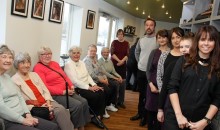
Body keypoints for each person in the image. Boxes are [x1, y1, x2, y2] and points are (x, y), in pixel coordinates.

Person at [166, 25, 220, 130]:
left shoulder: (218, 67)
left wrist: (205, 121)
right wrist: (179, 115)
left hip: (200, 123)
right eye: (203, 39)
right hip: (175, 119)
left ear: (215, 43)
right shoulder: (184, 60)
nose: (206, 43)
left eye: (211, 40)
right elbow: (172, 87)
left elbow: (217, 98)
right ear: (197, 41)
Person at [0, 45, 59, 130]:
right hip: (9, 120)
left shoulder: (7, 77)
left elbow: (19, 97)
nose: (8, 60)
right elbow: (1, 107)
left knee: (53, 127)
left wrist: (28, 114)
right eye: (4, 57)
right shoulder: (12, 78)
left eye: (10, 57)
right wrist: (23, 120)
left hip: (23, 115)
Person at [12, 52, 74, 130]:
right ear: (17, 65)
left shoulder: (34, 75)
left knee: (61, 110)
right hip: (35, 107)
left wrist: (48, 103)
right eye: (23, 63)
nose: (26, 65)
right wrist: (40, 107)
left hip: (47, 101)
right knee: (58, 112)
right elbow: (21, 102)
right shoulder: (14, 80)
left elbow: (45, 90)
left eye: (28, 62)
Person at [33, 46, 90, 130]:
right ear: (39, 56)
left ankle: (81, 124)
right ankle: (75, 127)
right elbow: (44, 87)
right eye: (44, 54)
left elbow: (65, 76)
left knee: (84, 101)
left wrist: (71, 86)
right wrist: (62, 92)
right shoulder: (38, 68)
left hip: (67, 90)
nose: (47, 56)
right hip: (56, 94)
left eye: (49, 53)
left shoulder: (55, 63)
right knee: (77, 105)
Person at [64, 46, 106, 129]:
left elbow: (88, 76)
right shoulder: (68, 64)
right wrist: (89, 88)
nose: (76, 55)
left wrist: (94, 85)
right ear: (70, 54)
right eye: (74, 53)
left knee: (101, 92)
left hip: (87, 85)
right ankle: (93, 115)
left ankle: (97, 116)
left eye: (78, 53)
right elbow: (75, 81)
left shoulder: (82, 62)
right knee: (95, 95)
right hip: (78, 88)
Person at [131, 18, 157, 127]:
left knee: (149, 96)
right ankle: (140, 113)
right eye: (147, 25)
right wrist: (140, 62)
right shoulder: (141, 40)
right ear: (145, 26)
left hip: (151, 73)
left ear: (154, 27)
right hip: (141, 71)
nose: (149, 27)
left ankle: (146, 117)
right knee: (141, 94)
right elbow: (136, 52)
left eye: (151, 25)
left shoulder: (158, 40)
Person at [157, 27, 184, 124]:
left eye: (178, 37)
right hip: (166, 95)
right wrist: (162, 98)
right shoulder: (165, 55)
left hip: (181, 97)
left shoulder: (188, 57)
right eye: (173, 38)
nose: (176, 40)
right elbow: (160, 77)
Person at [83, 44, 118, 118]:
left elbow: (101, 70)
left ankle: (107, 105)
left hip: (100, 79)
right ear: (88, 51)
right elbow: (92, 75)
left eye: (94, 51)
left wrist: (105, 78)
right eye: (91, 51)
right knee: (106, 89)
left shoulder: (94, 59)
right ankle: (102, 109)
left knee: (112, 86)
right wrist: (102, 80)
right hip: (92, 82)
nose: (93, 52)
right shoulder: (87, 61)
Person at [145, 29, 170, 130]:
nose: (161, 39)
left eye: (164, 37)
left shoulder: (171, 53)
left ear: (168, 38)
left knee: (162, 114)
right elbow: (148, 70)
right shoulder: (154, 52)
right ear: (157, 40)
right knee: (151, 113)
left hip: (165, 87)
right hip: (152, 86)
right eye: (159, 37)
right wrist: (150, 84)